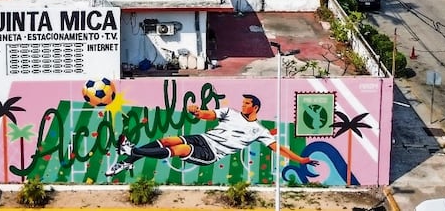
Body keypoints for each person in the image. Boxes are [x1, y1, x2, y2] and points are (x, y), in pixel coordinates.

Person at [105, 94, 316, 177]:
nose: (242, 105)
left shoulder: (258, 130)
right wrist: (196, 111)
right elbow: (208, 114)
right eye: (242, 103)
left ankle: (131, 151)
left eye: (247, 104)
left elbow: (279, 148)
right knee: (169, 139)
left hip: (211, 153)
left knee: (178, 150)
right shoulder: (230, 112)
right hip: (204, 138)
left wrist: (301, 160)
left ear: (256, 107)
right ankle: (126, 161)